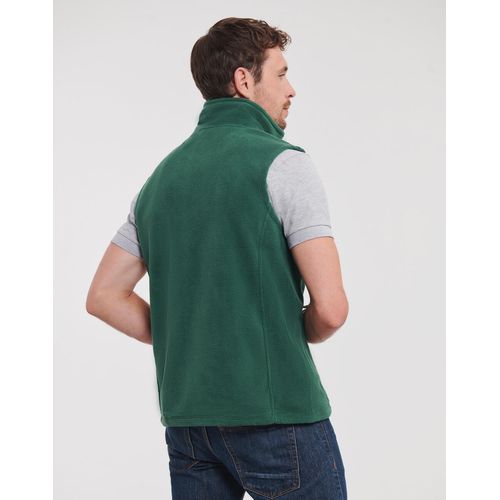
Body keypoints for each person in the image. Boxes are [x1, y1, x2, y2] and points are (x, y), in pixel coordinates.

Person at [86, 17, 349, 499]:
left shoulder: (160, 181)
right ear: (244, 81)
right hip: (278, 417)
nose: (292, 89)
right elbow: (331, 310)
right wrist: (286, 334)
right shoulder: (284, 164)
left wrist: (192, 339)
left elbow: (104, 295)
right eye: (281, 74)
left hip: (190, 426)